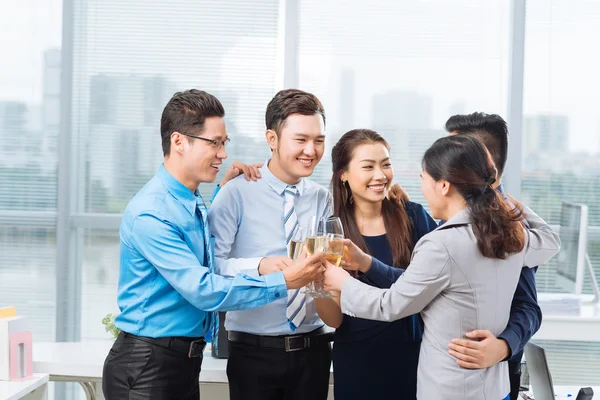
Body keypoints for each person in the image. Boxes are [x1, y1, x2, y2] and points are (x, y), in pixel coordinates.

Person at [102, 89, 325, 400]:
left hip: (181, 361)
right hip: (147, 364)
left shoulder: (191, 201)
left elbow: (209, 257)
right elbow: (204, 289)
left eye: (224, 143)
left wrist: (223, 191)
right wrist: (284, 280)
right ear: (178, 142)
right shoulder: (151, 213)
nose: (223, 154)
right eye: (214, 143)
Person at [324, 135, 560, 400]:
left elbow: (390, 304)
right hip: (495, 389)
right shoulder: (510, 234)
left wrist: (341, 282)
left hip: (448, 389)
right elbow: (551, 240)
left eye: (424, 178)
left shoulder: (439, 242)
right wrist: (499, 196)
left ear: (444, 185)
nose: (421, 187)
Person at [208, 89, 333, 400]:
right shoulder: (235, 193)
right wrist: (261, 265)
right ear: (272, 139)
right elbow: (212, 266)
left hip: (313, 350)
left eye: (318, 140)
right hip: (253, 354)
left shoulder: (322, 198)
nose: (311, 150)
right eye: (301, 140)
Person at [313, 129, 437, 399]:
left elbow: (429, 289)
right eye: (368, 166)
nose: (380, 175)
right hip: (357, 365)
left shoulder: (413, 216)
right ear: (343, 174)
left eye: (386, 164)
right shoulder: (334, 231)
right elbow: (335, 318)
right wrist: (313, 286)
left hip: (414, 360)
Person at [444, 112, 542, 400]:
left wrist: (503, 346)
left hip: (490, 372)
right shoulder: (453, 213)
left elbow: (528, 307)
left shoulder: (508, 226)